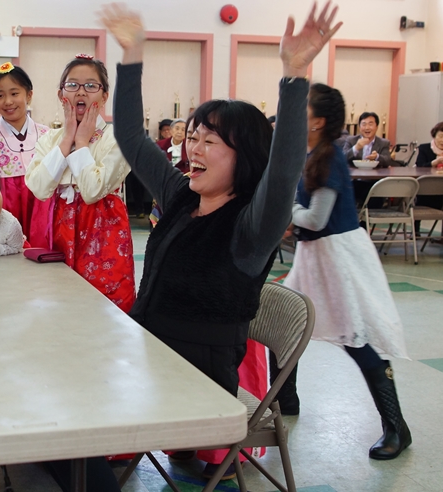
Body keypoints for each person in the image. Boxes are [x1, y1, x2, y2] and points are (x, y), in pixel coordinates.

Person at [100, 0, 341, 478]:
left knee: (74, 409)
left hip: (199, 382)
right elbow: (129, 136)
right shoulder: (182, 194)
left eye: (210, 141)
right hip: (151, 354)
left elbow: (284, 169)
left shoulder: (252, 226)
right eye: (193, 136)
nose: (193, 148)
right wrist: (132, 54)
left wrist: (295, 75)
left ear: (243, 156)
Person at [283, 83, 411, 460]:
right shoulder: (308, 152)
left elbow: (316, 219)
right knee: (286, 324)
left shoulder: (330, 157)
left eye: (304, 108)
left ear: (319, 121)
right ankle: (284, 401)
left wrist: (286, 211)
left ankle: (396, 428)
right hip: (313, 255)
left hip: (336, 257)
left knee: (356, 338)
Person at [26, 54, 136, 312]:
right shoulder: (50, 139)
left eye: (91, 85)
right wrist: (67, 140)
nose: (81, 92)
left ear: (104, 96)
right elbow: (39, 188)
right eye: (72, 85)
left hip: (103, 233)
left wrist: (83, 142)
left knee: (106, 308)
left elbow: (92, 190)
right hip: (59, 231)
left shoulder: (119, 139)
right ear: (61, 94)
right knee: (60, 304)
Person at [0, 63, 51, 247]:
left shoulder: (47, 136)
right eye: (0, 95)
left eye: (14, 93)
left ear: (29, 95)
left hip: (41, 213)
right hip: (3, 216)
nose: (8, 101)